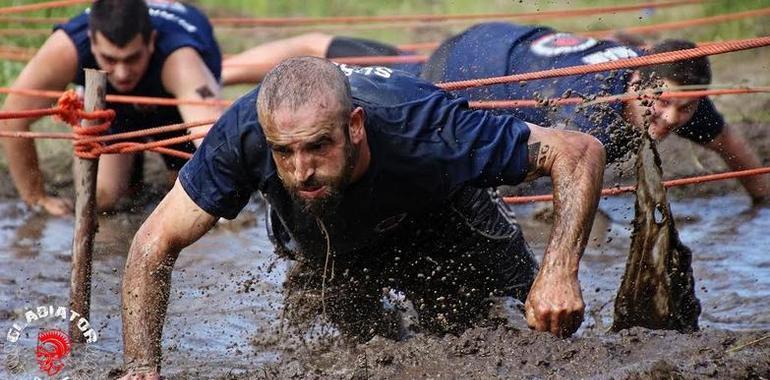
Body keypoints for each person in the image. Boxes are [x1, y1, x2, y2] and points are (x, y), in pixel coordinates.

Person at [120, 57, 606, 377]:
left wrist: (559, 271)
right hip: (326, 235)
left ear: (354, 126)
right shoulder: (242, 135)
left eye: (317, 146)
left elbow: (578, 152)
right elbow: (151, 243)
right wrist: (142, 367)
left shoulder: (425, 123)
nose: (302, 168)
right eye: (284, 152)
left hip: (441, 215)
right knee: (363, 353)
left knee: (527, 331)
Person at [222, 23, 768, 204]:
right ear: (635, 79)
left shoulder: (673, 87)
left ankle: (228, 67)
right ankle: (225, 72)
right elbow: (559, 187)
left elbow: (743, 162)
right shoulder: (590, 109)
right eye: (663, 102)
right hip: (465, 67)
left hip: (511, 42)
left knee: (373, 56)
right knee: (362, 79)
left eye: (685, 108)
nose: (671, 119)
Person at [0, 0, 224, 215]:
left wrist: (225, 209)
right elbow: (12, 118)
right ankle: (131, 167)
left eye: (132, 58)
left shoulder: (181, 59)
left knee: (189, 198)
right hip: (110, 102)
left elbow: (213, 141)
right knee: (101, 198)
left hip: (173, 106)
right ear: (92, 42)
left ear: (151, 41)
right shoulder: (68, 47)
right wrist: (36, 198)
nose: (122, 73)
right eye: (110, 59)